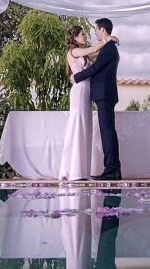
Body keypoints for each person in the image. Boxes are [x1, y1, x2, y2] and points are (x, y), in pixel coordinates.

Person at [59, 25, 119, 182]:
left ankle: (83, 170)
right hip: (79, 91)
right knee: (78, 126)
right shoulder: (74, 51)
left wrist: (109, 44)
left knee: (85, 128)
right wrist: (108, 38)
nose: (85, 36)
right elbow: (94, 48)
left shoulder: (84, 55)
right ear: (75, 38)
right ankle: (74, 169)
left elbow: (100, 53)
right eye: (82, 34)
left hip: (87, 93)